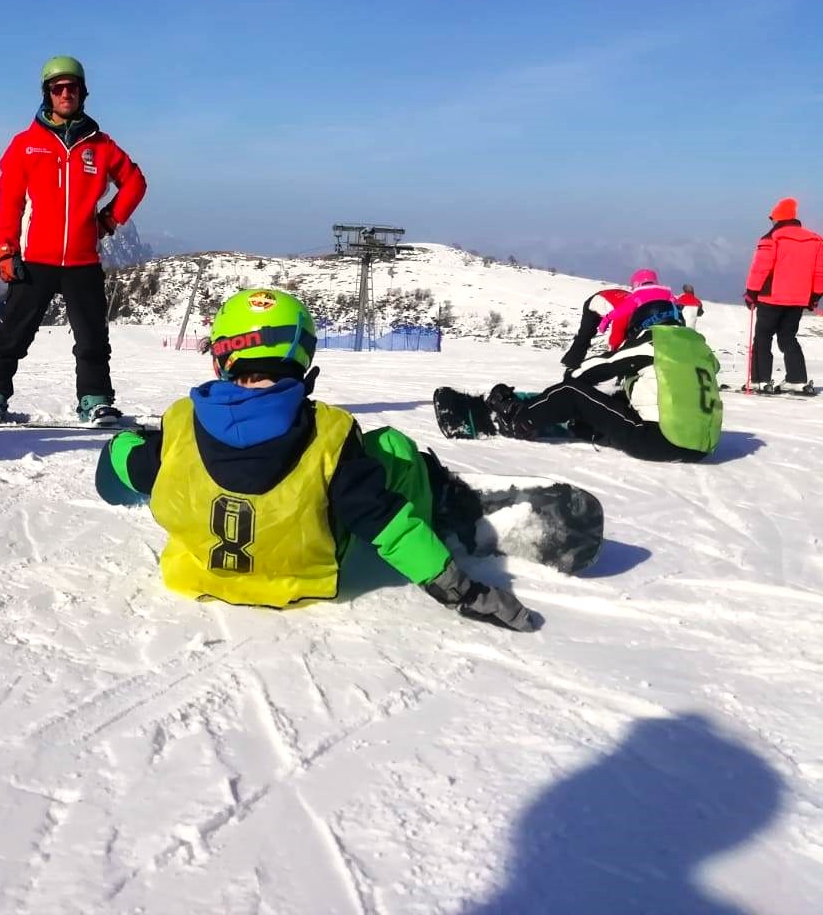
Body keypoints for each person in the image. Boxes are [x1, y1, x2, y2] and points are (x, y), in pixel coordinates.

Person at [94, 288, 537, 631]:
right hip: (301, 582)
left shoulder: (179, 425)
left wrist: (138, 450)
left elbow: (114, 466)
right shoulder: (330, 433)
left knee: (150, 458)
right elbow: (385, 524)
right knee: (392, 448)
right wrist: (461, 591)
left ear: (221, 360)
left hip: (195, 579)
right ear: (303, 356)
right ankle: (441, 501)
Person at [0, 55, 147, 426]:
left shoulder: (101, 147)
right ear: (47, 94)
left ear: (84, 93)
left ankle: (95, 400)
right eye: (58, 88)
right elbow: (10, 202)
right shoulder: (25, 144)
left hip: (83, 261)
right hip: (35, 258)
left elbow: (135, 183)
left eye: (73, 88)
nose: (66, 93)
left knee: (92, 340)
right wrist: (5, 250)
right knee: (12, 335)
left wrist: (110, 219)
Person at [456, 291, 721, 462]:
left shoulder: (654, 341)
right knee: (623, 397)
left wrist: (571, 377)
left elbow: (596, 370)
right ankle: (589, 427)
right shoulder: (700, 348)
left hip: (658, 441)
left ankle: (517, 420)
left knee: (571, 392)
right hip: (701, 448)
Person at [745, 197, 822, 395]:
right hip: (798, 299)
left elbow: (761, 268)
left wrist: (752, 292)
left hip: (771, 298)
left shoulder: (772, 238)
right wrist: (815, 296)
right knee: (788, 337)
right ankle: (797, 379)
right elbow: (819, 271)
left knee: (762, 337)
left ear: (777, 218)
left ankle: (760, 380)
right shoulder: (815, 239)